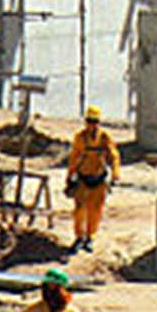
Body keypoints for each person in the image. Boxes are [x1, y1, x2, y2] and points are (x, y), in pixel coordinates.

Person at [66, 106, 119, 254]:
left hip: (99, 179)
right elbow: (74, 158)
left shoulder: (104, 138)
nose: (92, 125)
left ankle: (90, 237)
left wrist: (115, 174)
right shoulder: (80, 138)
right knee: (79, 210)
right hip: (83, 178)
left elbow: (114, 156)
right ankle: (79, 237)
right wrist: (69, 177)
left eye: (95, 121)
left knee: (95, 210)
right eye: (90, 121)